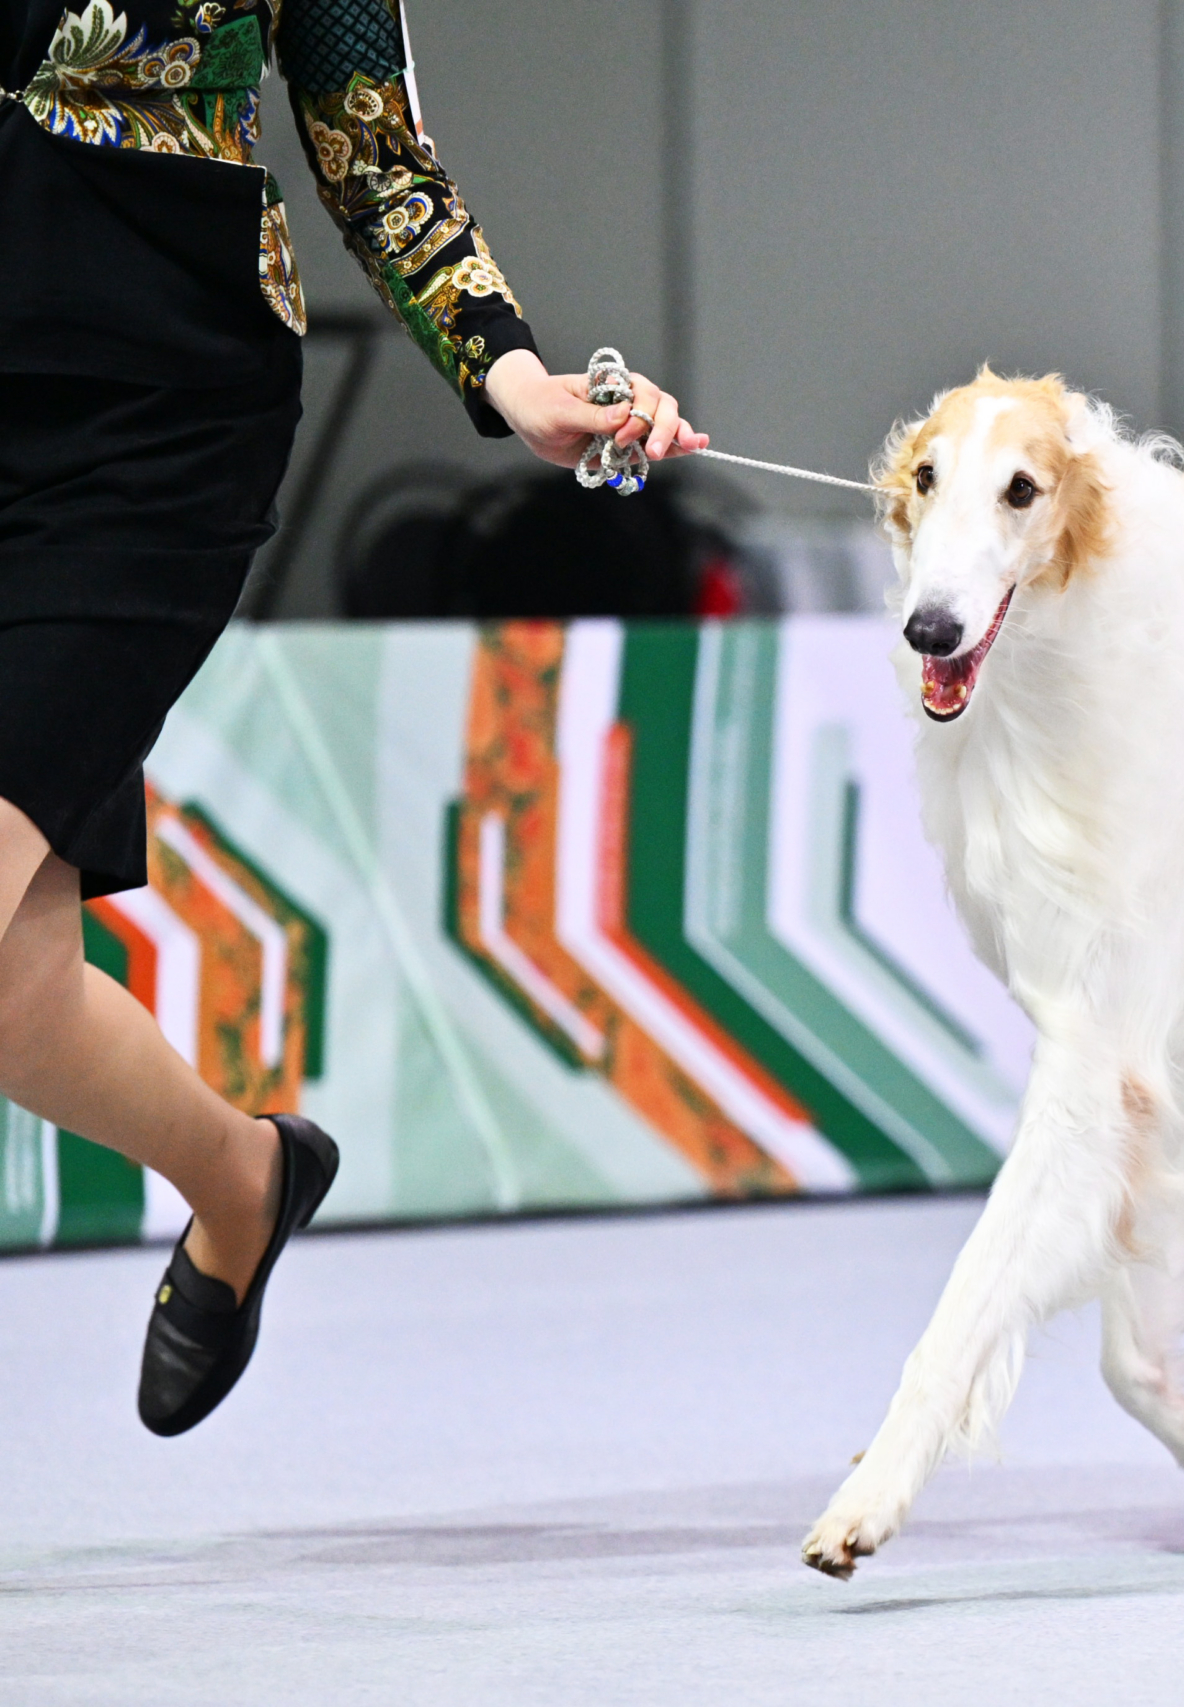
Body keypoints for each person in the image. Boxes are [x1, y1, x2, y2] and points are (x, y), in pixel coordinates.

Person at [0, 0, 706, 1435]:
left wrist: (513, 377)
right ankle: (241, 1177)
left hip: (147, 411)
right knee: (15, 990)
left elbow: (372, 148)